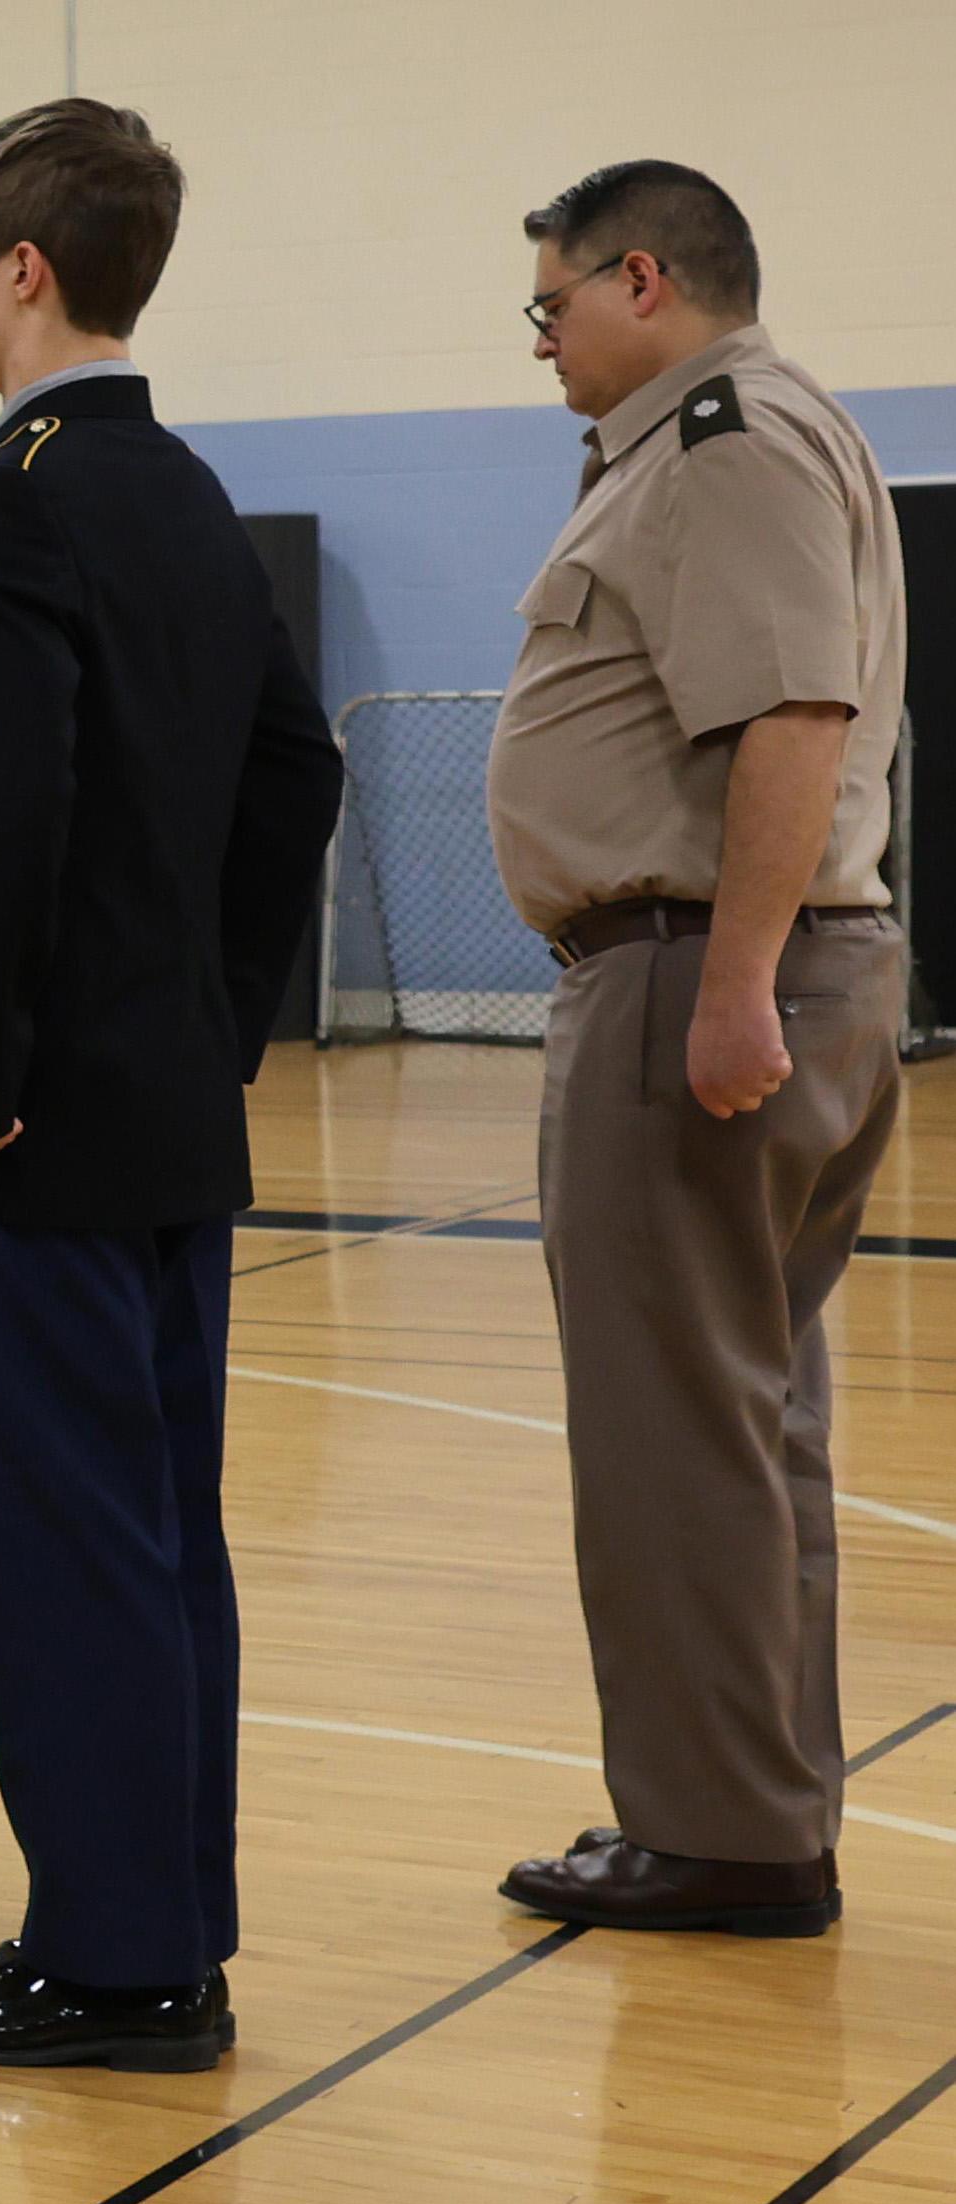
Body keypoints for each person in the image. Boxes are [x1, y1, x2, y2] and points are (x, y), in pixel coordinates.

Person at [0, 102, 342, 2070]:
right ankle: (160, 1925)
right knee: (154, 1533)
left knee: (60, 1545)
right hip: (158, 1115)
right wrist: (208, 1024)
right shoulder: (185, 491)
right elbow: (292, 773)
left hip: (22, 1128)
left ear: (23, 270)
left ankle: (114, 1964)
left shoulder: (8, 502)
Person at [487, 165, 905, 1937]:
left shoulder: (725, 442)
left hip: (697, 975)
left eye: (550, 307)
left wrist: (732, 982)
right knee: (738, 1420)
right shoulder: (721, 439)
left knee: (671, 1434)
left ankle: (716, 1837)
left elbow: (790, 717)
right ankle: (752, 1811)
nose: (539, 342)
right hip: (724, 965)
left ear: (639, 280)